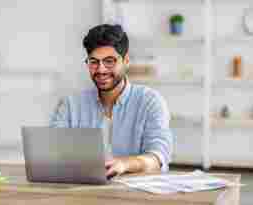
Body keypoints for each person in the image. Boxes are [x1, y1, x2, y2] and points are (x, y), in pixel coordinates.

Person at [50, 24, 174, 179]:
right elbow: (53, 154)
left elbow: (158, 157)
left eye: (109, 61)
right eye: (94, 61)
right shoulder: (70, 105)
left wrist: (124, 164)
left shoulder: (150, 101)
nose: (101, 69)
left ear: (126, 61)